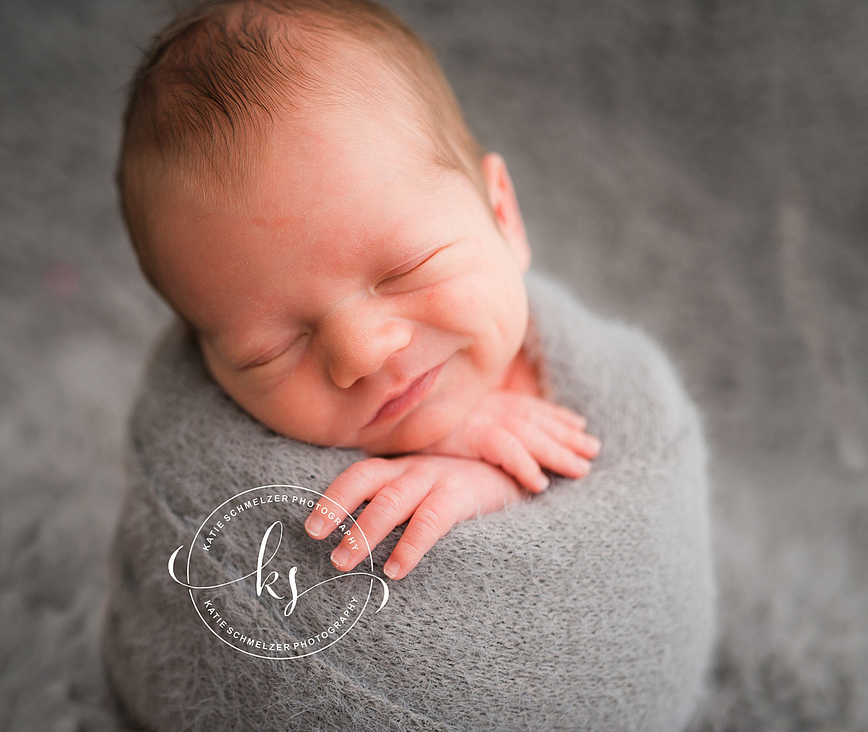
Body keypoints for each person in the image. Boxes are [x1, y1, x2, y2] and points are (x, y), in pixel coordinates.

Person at [117, 0, 601, 582]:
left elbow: (619, 507)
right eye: (271, 349)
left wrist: (493, 483)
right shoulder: (236, 472)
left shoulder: (583, 373)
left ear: (504, 214)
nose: (362, 353)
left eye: (408, 269)